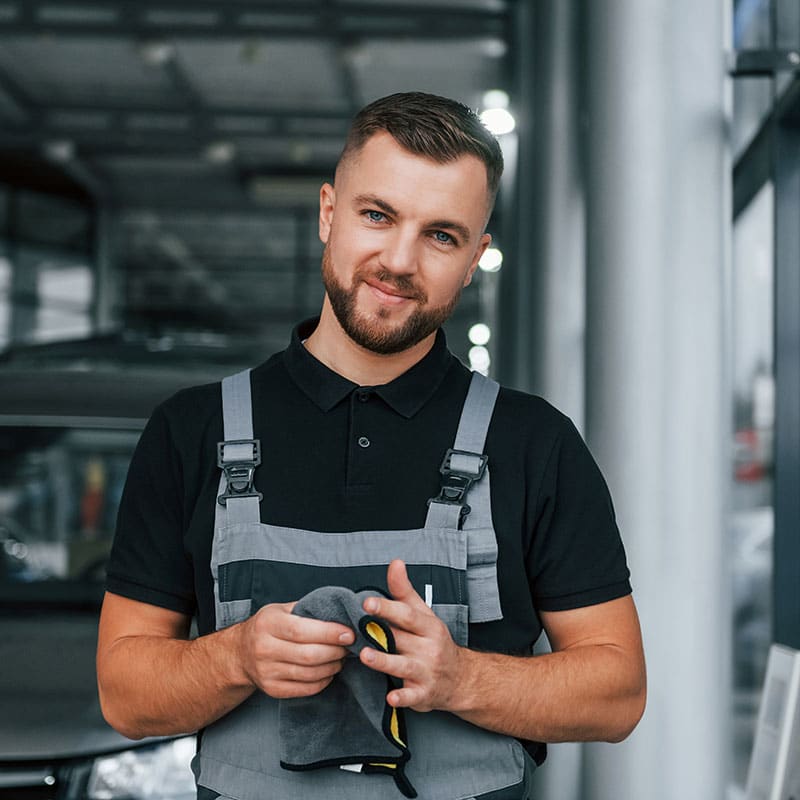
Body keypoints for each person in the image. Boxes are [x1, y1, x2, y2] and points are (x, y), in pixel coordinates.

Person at [97, 91, 646, 800]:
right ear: (330, 212)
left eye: (441, 235)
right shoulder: (193, 431)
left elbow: (617, 694)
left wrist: (461, 678)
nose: (399, 259)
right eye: (377, 215)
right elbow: (124, 695)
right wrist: (234, 658)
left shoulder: (533, 442)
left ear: (476, 256)